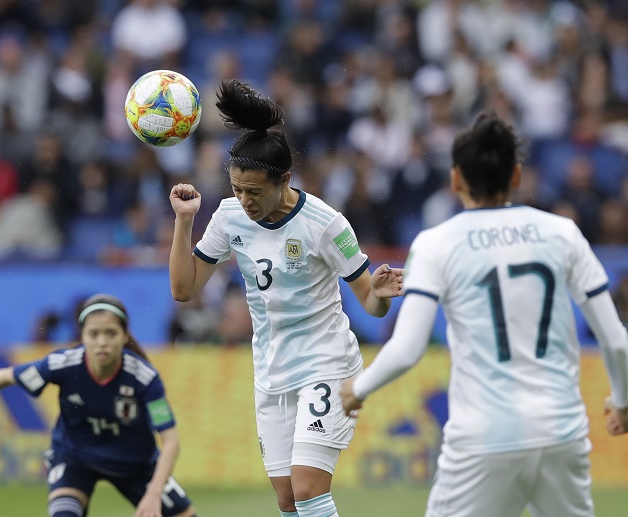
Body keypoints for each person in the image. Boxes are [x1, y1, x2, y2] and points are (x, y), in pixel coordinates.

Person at [340, 111, 628, 517]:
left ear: (456, 179)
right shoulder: (563, 233)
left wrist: (359, 387)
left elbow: (407, 348)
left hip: (484, 437)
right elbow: (615, 337)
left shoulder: (437, 243)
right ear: (516, 176)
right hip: (561, 431)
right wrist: (623, 399)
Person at [168, 79, 403, 517]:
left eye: (254, 191)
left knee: (309, 489)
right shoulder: (230, 215)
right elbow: (184, 290)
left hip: (325, 362)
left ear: (285, 180)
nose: (245, 199)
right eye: (237, 188)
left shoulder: (325, 224)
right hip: (271, 368)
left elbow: (369, 302)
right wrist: (185, 221)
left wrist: (382, 295)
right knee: (287, 500)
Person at [0, 294, 196, 517]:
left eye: (110, 333)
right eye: (94, 334)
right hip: (75, 457)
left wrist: (153, 492)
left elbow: (171, 442)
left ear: (124, 335)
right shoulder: (63, 364)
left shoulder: (144, 377)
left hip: (136, 466)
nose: (102, 341)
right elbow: (5, 376)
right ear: (82, 336)